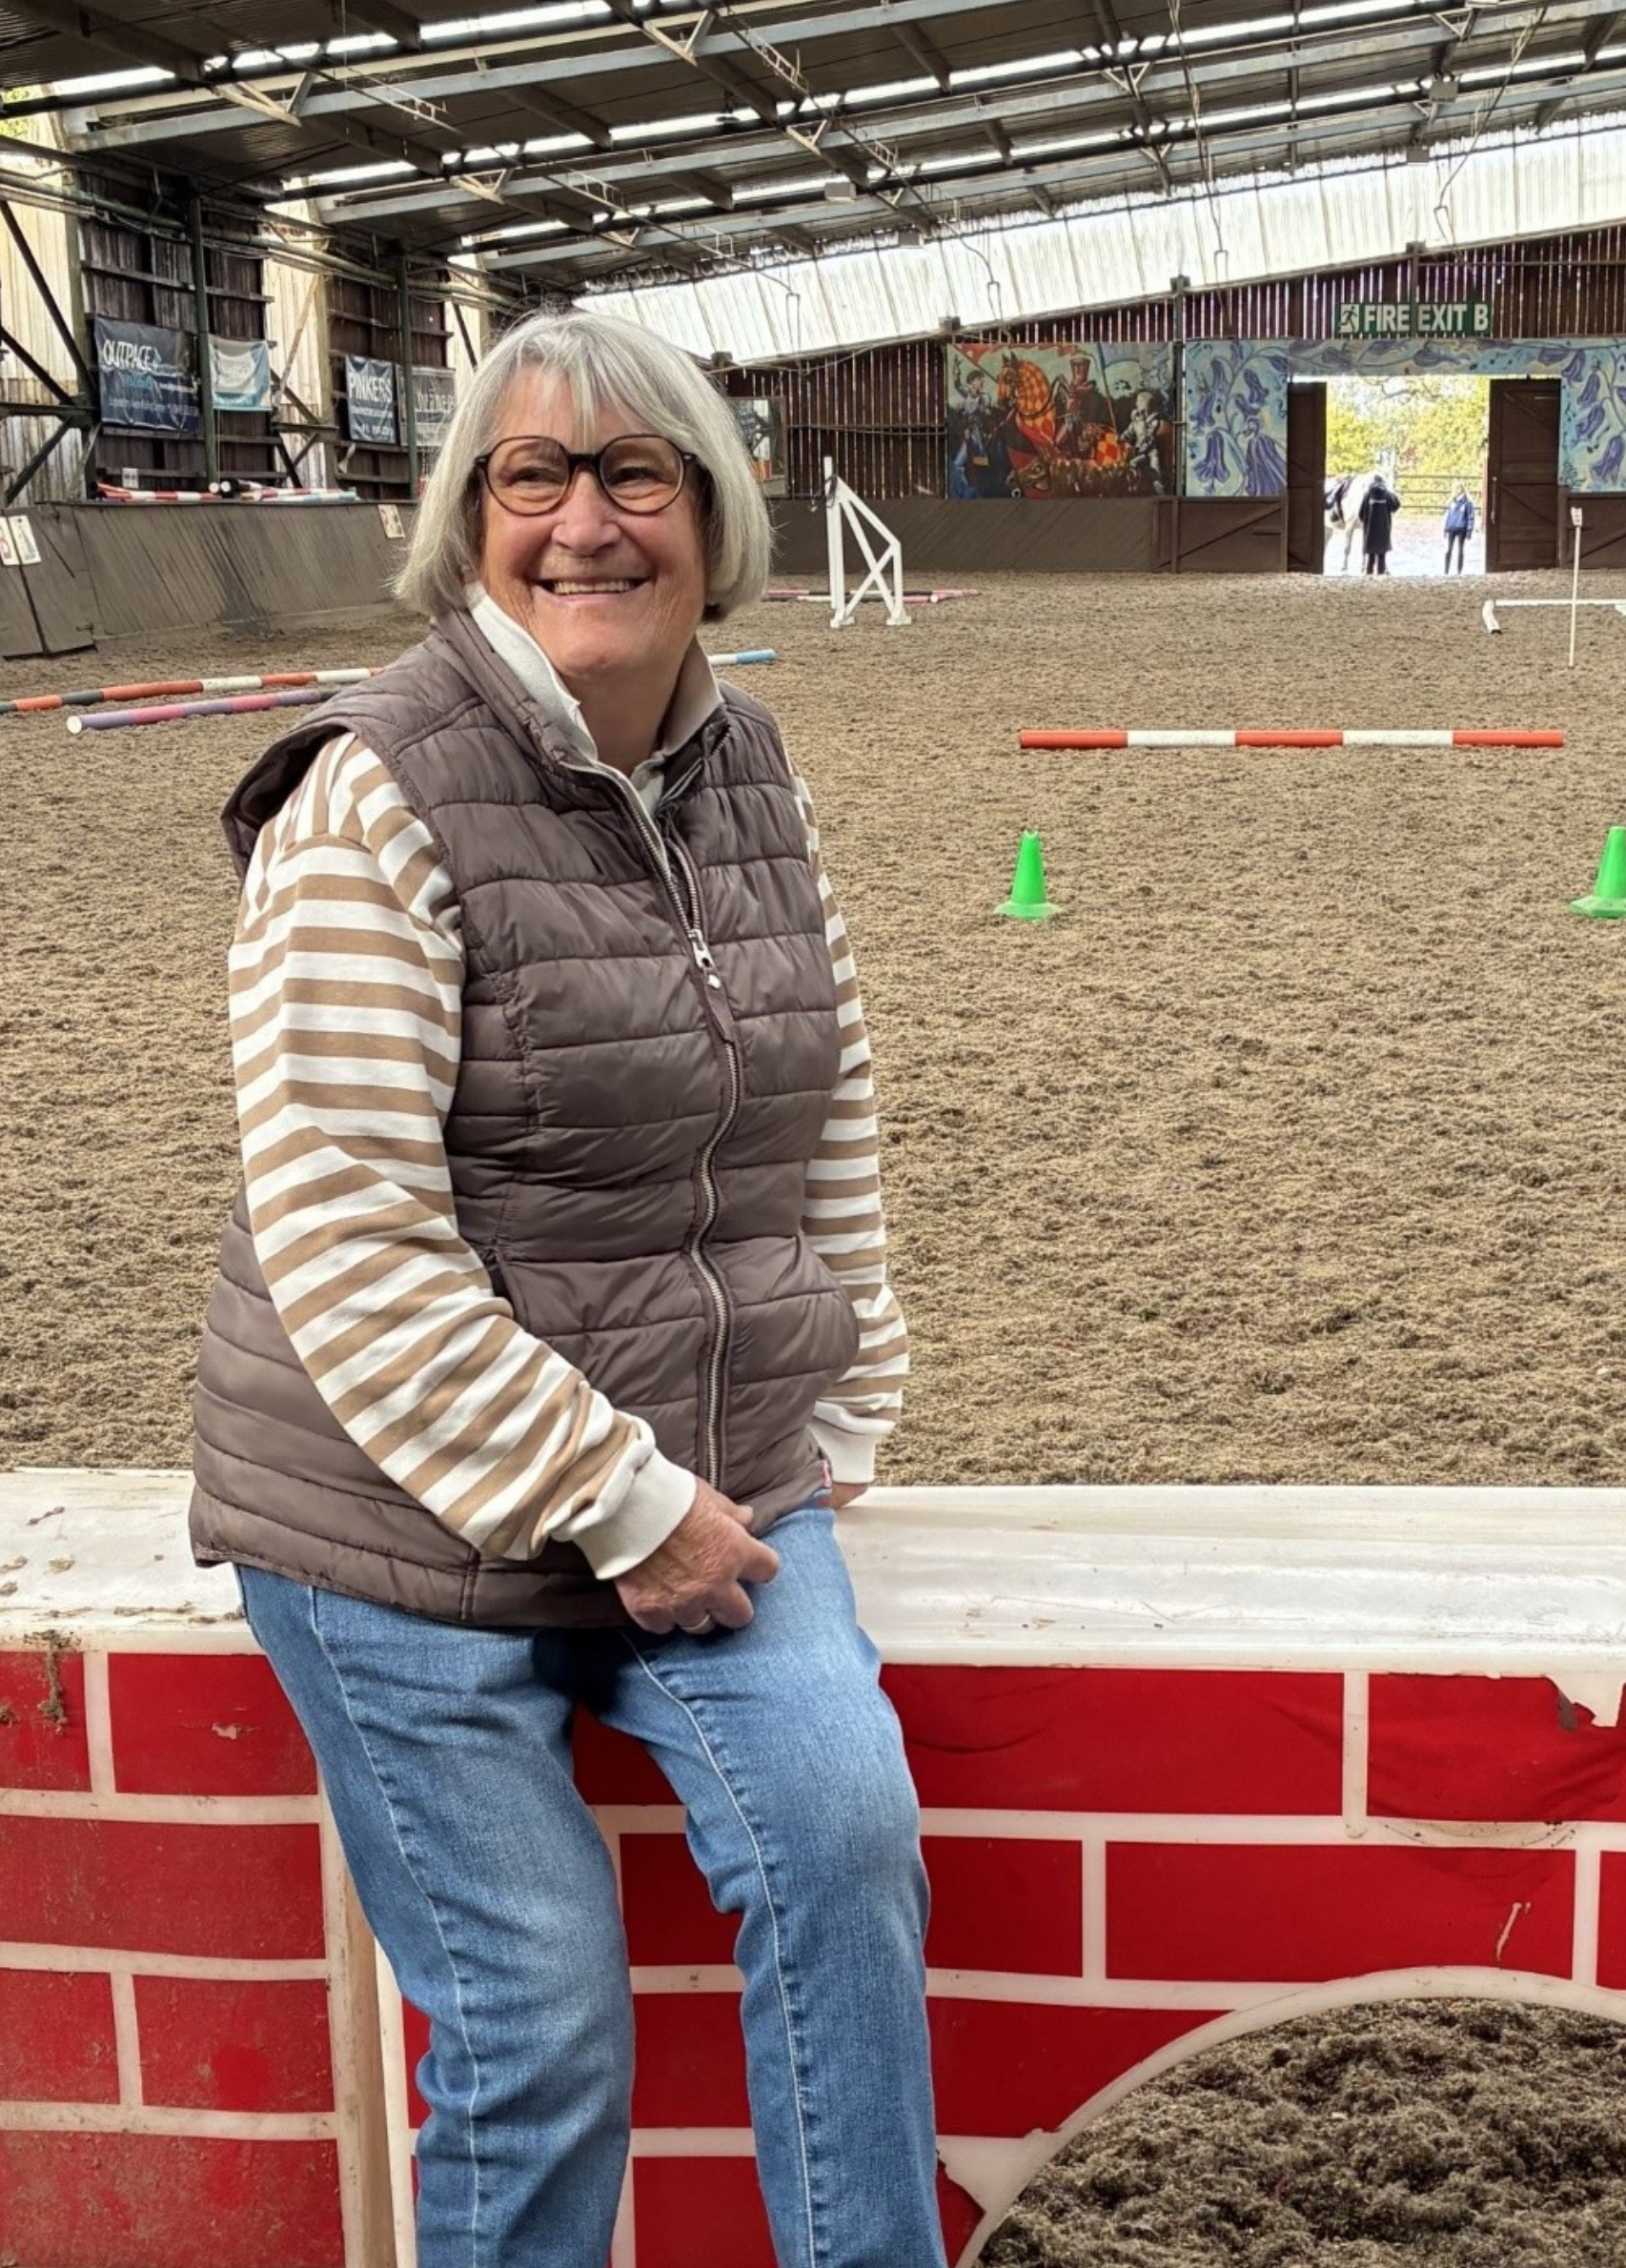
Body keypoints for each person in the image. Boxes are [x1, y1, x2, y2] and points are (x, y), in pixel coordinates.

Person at [186, 308, 940, 2268]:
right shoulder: (371, 797)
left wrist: (835, 1402)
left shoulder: (744, 760)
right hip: (397, 1514)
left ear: (713, 517)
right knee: (536, 2022)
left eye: (637, 475)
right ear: (466, 522)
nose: (584, 521)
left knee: (844, 1848)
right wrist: (617, 1501)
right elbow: (348, 1243)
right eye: (533, 476)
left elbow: (820, 1101)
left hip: (709, 1472)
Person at [1359, 470, 1402, 575]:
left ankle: (1369, 575)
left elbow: (1361, 513)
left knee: (1371, 557)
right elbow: (1396, 505)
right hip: (1384, 528)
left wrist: (1366, 520)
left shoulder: (1367, 494)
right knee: (1382, 556)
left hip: (1370, 530)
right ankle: (1380, 575)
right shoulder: (1388, 494)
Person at [1444, 482, 1476, 573]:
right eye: (1456, 488)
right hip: (1452, 527)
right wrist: (1446, 528)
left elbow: (1470, 517)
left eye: (1459, 488)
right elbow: (1448, 516)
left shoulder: (1467, 503)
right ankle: (1446, 570)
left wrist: (1469, 530)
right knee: (1449, 549)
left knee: (1460, 549)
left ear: (1462, 489)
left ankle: (1459, 570)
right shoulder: (1452, 502)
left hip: (1461, 528)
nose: (1457, 490)